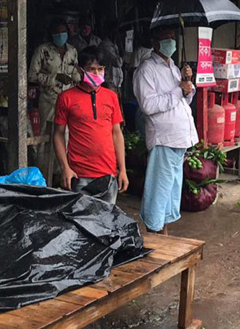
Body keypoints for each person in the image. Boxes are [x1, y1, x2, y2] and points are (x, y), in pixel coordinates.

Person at [133, 28, 197, 234]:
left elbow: (184, 101)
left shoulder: (173, 67)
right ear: (154, 41)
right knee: (159, 192)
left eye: (172, 38)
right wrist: (179, 90)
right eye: (165, 37)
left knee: (170, 193)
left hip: (179, 139)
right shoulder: (146, 70)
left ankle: (163, 235)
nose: (171, 42)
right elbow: (148, 106)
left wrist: (187, 84)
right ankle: (154, 236)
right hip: (164, 139)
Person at [53, 46, 128, 204]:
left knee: (107, 224)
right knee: (80, 223)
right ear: (81, 71)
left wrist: (122, 170)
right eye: (91, 69)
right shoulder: (66, 98)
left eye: (100, 69)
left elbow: (117, 133)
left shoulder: (111, 97)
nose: (96, 73)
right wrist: (65, 167)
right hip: (78, 175)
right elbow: (58, 134)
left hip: (108, 174)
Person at [28, 18, 81, 169]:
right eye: (57, 33)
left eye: (63, 32)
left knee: (68, 134)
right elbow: (31, 75)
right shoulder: (43, 51)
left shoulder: (72, 51)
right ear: (51, 34)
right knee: (48, 134)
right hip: (50, 99)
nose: (60, 35)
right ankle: (45, 169)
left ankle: (63, 170)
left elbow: (76, 74)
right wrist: (54, 78)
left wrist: (78, 76)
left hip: (70, 99)